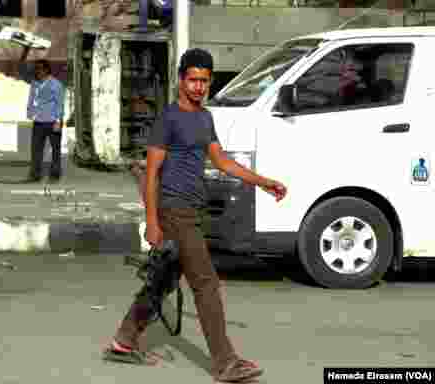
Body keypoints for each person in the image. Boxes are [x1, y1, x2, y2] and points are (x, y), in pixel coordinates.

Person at [104, 49, 287, 383]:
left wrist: (263, 182)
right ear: (181, 79)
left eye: (204, 80)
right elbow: (152, 172)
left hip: (193, 210)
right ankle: (225, 361)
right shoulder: (169, 118)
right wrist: (153, 223)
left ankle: (124, 338)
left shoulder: (205, 118)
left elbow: (222, 162)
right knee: (205, 284)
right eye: (193, 80)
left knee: (165, 278)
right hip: (175, 211)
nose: (198, 86)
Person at [24, 59, 65, 183]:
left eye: (40, 69)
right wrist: (30, 112)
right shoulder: (34, 83)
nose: (37, 71)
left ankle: (55, 173)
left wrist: (58, 121)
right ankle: (35, 174)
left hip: (53, 121)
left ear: (46, 70)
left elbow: (60, 104)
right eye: (36, 69)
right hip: (38, 121)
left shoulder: (56, 84)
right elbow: (31, 99)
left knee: (55, 149)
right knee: (36, 149)